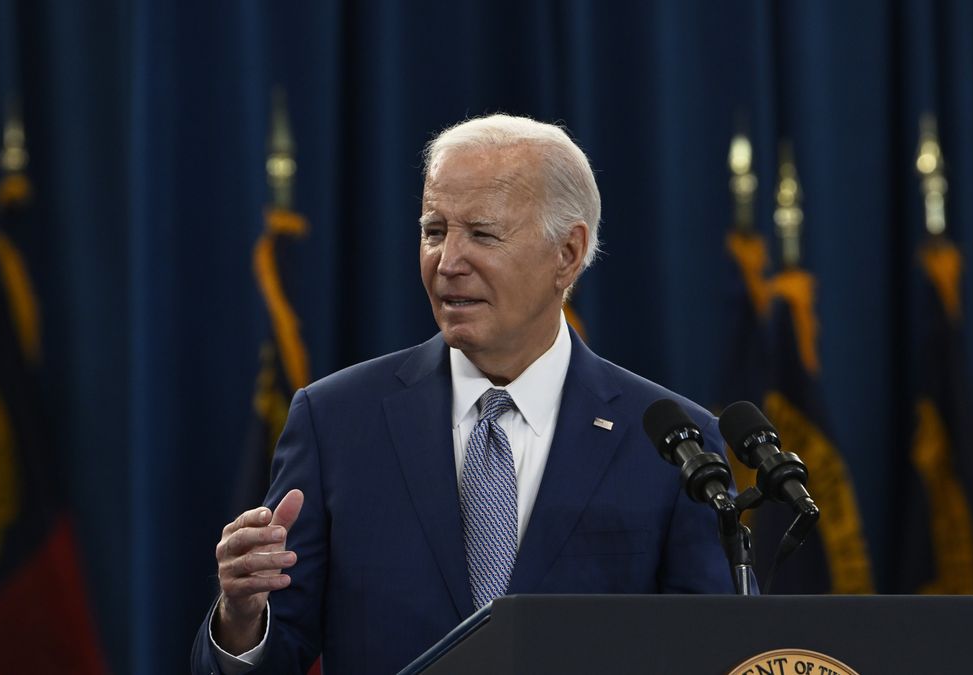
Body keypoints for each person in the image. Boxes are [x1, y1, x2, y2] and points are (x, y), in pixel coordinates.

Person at [191, 114, 735, 675]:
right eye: (433, 230)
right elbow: (271, 655)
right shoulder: (334, 423)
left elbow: (720, 652)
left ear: (567, 254)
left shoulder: (672, 444)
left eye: (482, 233)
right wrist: (242, 619)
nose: (447, 262)